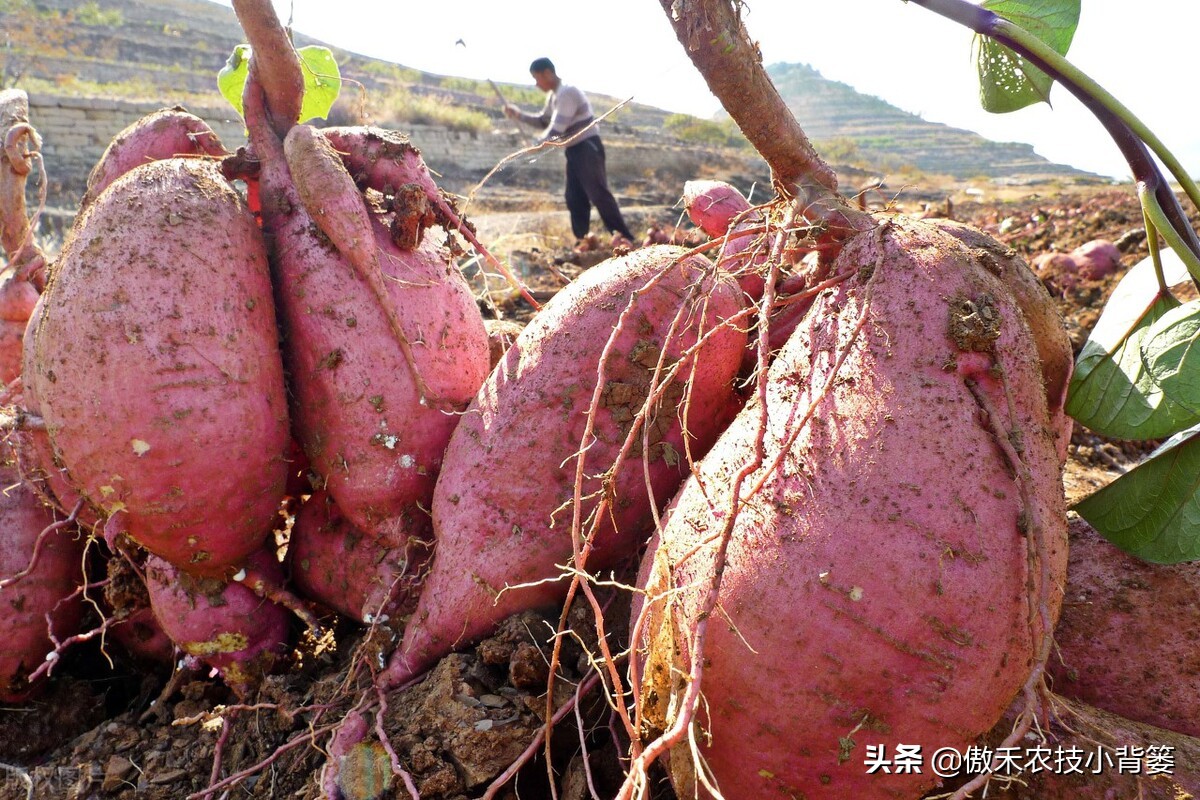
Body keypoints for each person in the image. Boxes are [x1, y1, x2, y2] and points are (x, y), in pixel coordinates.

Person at [504, 57, 636, 249]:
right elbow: (543, 121)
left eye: (537, 78)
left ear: (547, 73)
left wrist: (535, 145)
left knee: (598, 194)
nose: (536, 84)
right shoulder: (554, 97)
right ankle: (583, 241)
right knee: (574, 197)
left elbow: (556, 129)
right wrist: (518, 115)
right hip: (574, 150)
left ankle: (626, 239)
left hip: (587, 148)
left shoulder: (567, 93)